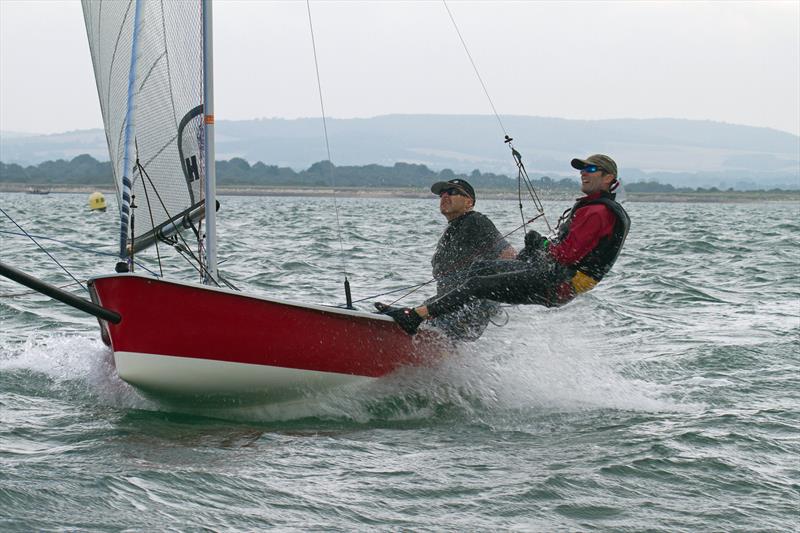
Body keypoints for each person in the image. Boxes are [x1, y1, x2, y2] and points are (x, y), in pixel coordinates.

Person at [381, 154, 631, 335]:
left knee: (478, 283)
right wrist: (537, 249)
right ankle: (432, 316)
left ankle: (417, 317)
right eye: (582, 169)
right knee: (480, 269)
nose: (583, 173)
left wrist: (541, 244)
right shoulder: (595, 207)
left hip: (562, 282)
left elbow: (565, 256)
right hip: (557, 275)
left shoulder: (598, 212)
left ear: (608, 177)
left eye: (590, 169)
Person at [377, 178, 516, 340]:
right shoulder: (452, 229)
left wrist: (486, 293)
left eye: (453, 192)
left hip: (468, 308)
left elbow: (509, 255)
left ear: (469, 202)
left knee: (412, 320)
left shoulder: (476, 221)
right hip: (445, 305)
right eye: (442, 194)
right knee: (400, 316)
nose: (445, 196)